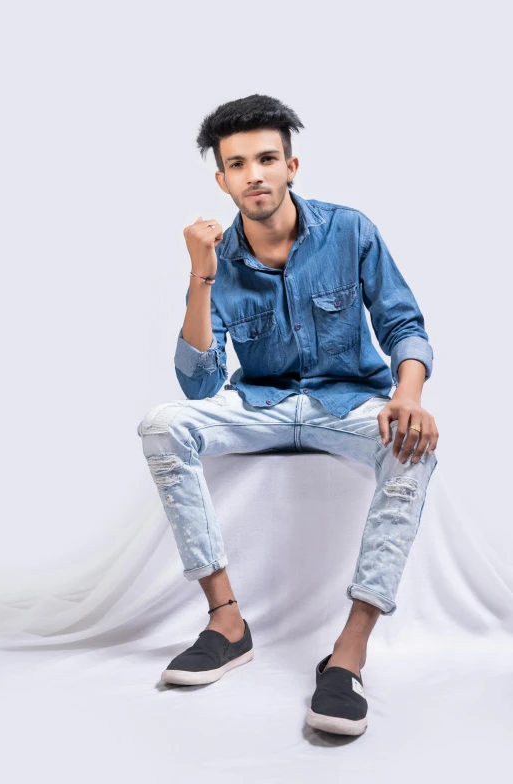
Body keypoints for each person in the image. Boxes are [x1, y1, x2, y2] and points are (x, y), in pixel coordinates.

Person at [137, 93, 439, 736]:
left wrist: (406, 394)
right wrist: (202, 276)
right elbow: (199, 384)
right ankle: (226, 621)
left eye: (267, 158)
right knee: (164, 424)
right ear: (222, 180)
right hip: (263, 405)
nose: (255, 175)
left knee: (414, 446)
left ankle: (349, 654)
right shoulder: (217, 257)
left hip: (348, 403)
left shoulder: (349, 230)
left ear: (292, 165)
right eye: (238, 163)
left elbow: (403, 323)